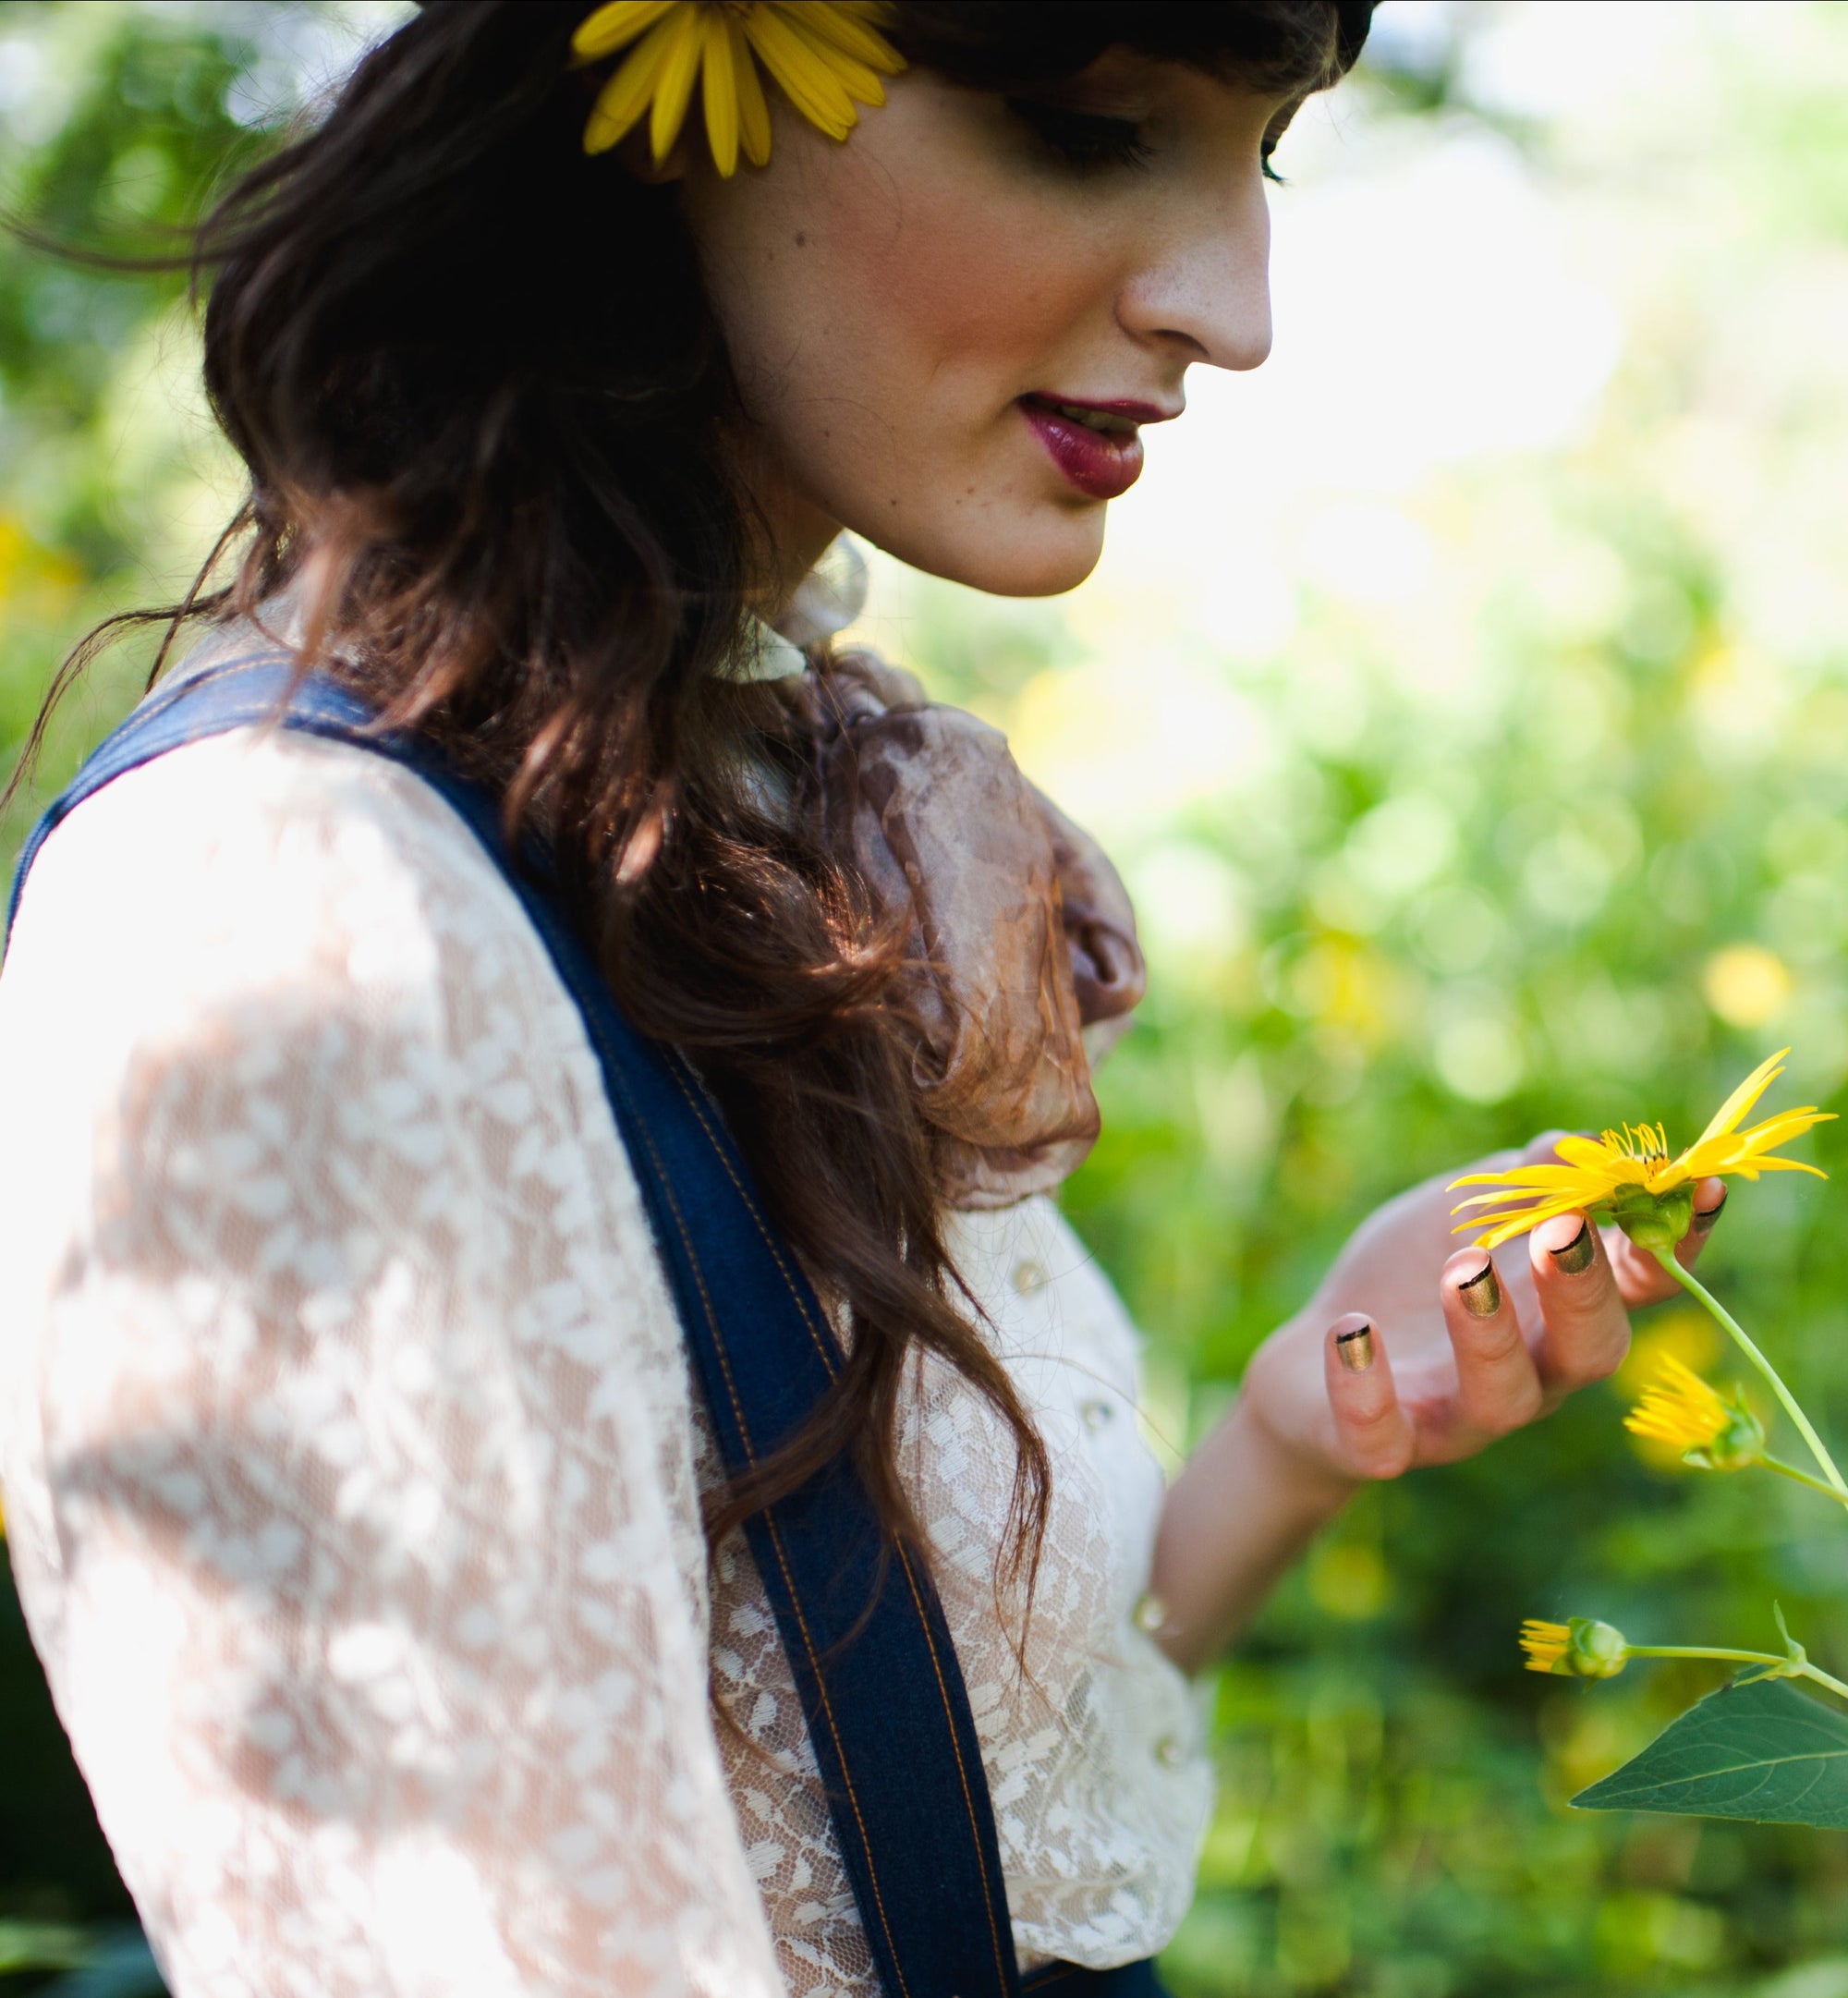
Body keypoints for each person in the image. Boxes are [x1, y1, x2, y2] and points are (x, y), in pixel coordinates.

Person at [0, 6, 1728, 1995]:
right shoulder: (300, 920)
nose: (1237, 314)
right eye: (1089, 126)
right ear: (679, 96)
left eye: (1259, 155)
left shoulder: (735, 794)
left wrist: (1301, 1420)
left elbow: (949, 1790)